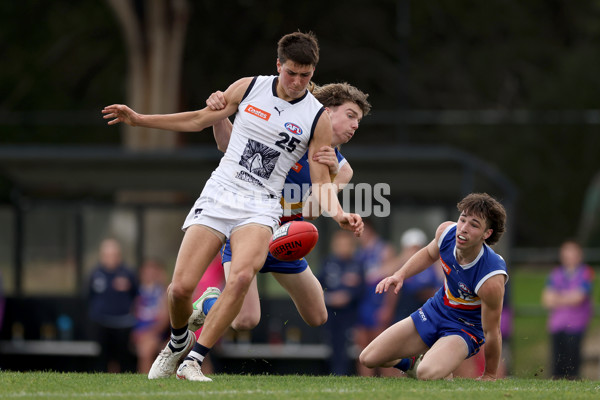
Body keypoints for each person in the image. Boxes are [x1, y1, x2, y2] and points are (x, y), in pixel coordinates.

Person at [103, 31, 363, 382]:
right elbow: (200, 121)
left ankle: (193, 361)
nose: (298, 82)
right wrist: (141, 119)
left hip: (263, 211)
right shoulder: (249, 87)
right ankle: (181, 340)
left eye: (306, 75)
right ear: (278, 65)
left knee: (265, 291)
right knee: (181, 290)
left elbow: (319, 190)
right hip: (221, 194)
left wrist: (341, 214)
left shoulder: (316, 121)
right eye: (291, 73)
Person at [187, 82, 371, 334]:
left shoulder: (343, 169)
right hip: (247, 230)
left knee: (318, 316)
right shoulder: (292, 137)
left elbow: (310, 212)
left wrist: (331, 173)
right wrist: (220, 116)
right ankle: (209, 302)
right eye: (350, 116)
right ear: (326, 113)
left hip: (284, 241)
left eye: (359, 121)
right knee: (244, 321)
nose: (355, 126)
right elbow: (230, 148)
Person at [359, 193, 508, 381]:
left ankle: (431, 366)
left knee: (426, 373)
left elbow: (492, 331)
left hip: (464, 329)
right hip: (435, 311)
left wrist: (490, 374)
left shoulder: (490, 278)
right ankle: (412, 362)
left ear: (487, 234)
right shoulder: (446, 233)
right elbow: (429, 254)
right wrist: (400, 274)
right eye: (462, 220)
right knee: (368, 358)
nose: (463, 228)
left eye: (474, 225)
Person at [541, 239, 594, 379]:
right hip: (557, 325)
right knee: (557, 363)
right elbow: (546, 300)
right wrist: (568, 297)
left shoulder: (586, 272)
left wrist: (557, 297)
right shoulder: (556, 273)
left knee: (573, 362)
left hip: (576, 326)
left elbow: (579, 298)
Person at [87, 238, 138, 373]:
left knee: (123, 357)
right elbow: (88, 295)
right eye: (107, 255)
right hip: (101, 322)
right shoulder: (95, 274)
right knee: (103, 356)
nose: (111, 258)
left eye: (114, 254)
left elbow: (136, 294)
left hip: (123, 323)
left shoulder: (128, 273)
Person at [318, 229, 364, 375]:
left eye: (346, 244)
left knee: (349, 347)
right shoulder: (327, 263)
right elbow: (317, 286)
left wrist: (348, 296)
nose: (343, 247)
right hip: (331, 313)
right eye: (340, 244)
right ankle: (335, 373)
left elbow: (363, 289)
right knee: (333, 346)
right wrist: (330, 298)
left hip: (351, 315)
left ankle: (345, 373)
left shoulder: (357, 264)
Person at [353, 220, 396, 376]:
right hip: (363, 304)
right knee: (362, 346)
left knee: (382, 348)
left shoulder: (384, 250)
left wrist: (388, 308)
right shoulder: (359, 253)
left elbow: (393, 283)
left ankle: (390, 382)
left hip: (378, 304)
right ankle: (366, 383)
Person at [132, 259, 170, 374]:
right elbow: (133, 315)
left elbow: (165, 320)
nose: (149, 274)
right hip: (139, 334)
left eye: (153, 271)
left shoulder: (162, 293)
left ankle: (150, 380)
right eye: (146, 271)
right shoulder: (137, 293)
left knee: (147, 350)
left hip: (157, 335)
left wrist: (150, 333)